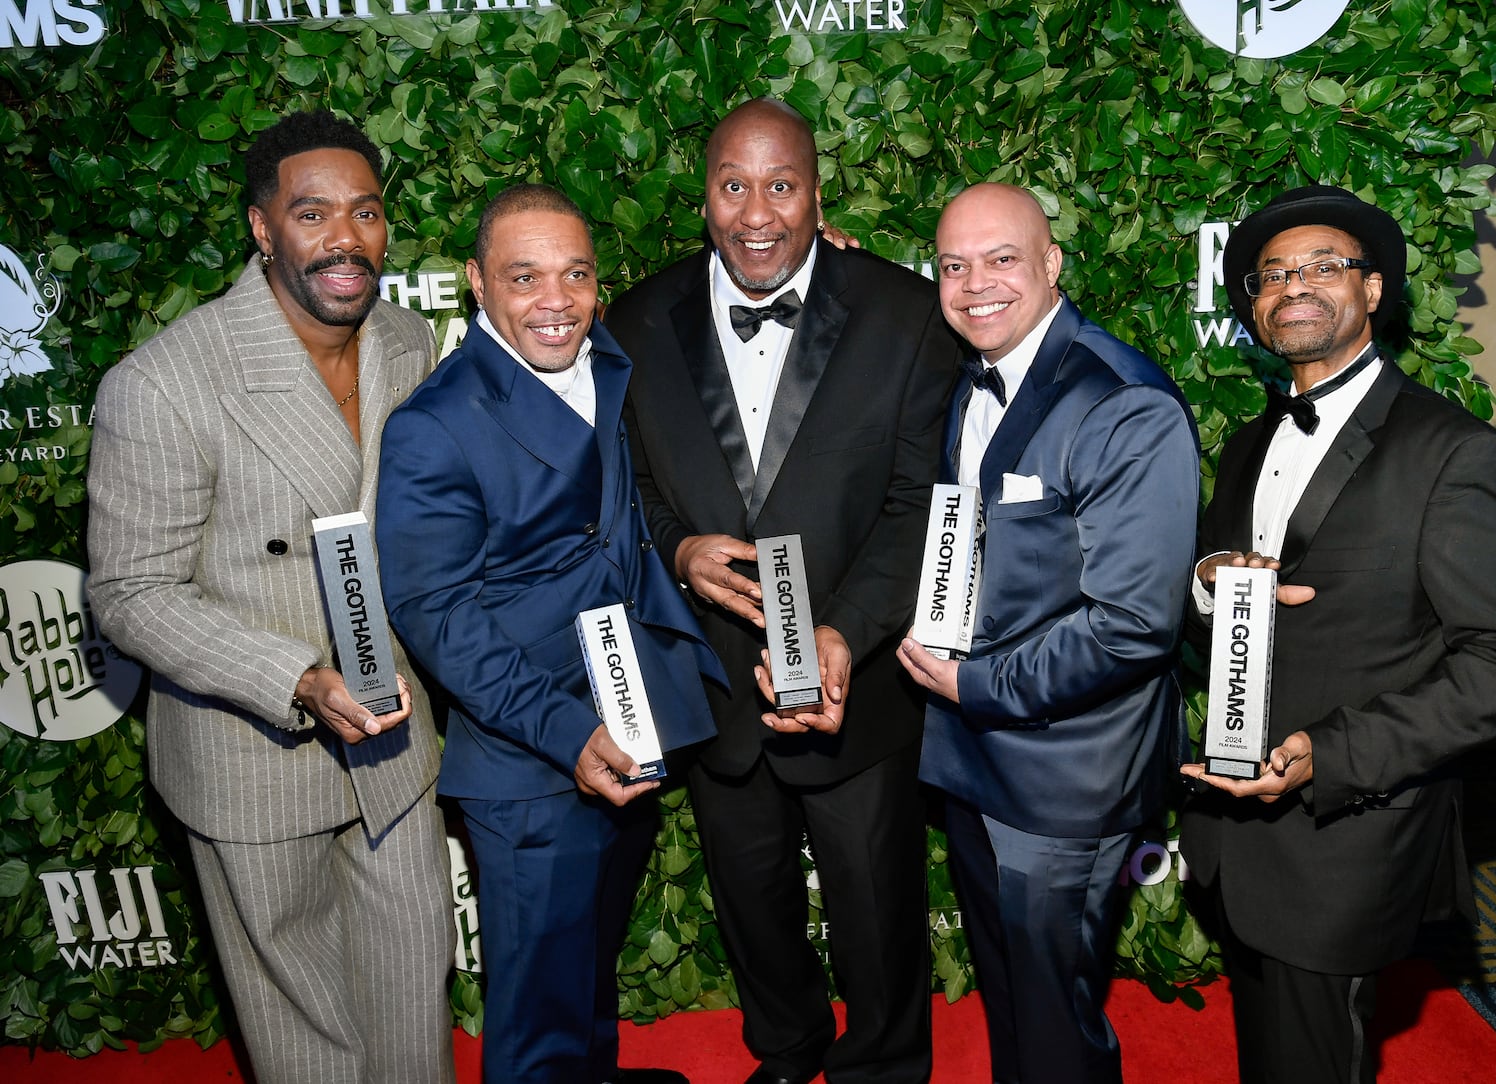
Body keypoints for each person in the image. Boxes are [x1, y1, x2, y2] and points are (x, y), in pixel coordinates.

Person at [85, 111, 455, 1083]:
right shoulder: (164, 384)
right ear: (261, 226)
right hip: (253, 756)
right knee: (309, 1052)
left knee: (417, 1017)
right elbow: (129, 592)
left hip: (394, 743)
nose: (345, 237)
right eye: (312, 212)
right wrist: (294, 676)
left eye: (366, 211)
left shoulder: (410, 344)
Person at [1178, 184, 1496, 1084]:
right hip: (1233, 825)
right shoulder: (1245, 442)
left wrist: (1335, 752)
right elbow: (1213, 597)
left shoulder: (1455, 454)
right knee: (1268, 1050)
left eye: (1322, 266)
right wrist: (1205, 583)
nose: (1292, 286)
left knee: (1319, 1058)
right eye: (1270, 275)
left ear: (1374, 291)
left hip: (1345, 831)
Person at [605, 98, 960, 1084]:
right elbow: (623, 483)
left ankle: (884, 1066)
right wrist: (675, 550)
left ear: (816, 192)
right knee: (750, 898)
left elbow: (917, 502)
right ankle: (789, 1047)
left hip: (856, 682)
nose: (756, 213)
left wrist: (847, 629)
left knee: (875, 903)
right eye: (732, 185)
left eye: (780, 185)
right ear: (703, 197)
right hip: (716, 686)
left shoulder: (904, 314)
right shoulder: (636, 321)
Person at [374, 184, 724, 1084]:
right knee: (536, 1027)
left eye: (575, 275)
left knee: (585, 978)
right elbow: (436, 615)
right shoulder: (435, 426)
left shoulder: (605, 357)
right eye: (524, 277)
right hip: (533, 760)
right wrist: (570, 735)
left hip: (629, 718)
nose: (556, 301)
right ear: (476, 285)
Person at [896, 183, 1200, 1084]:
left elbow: (1133, 626)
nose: (975, 283)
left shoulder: (1122, 402)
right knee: (1013, 998)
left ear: (1052, 262)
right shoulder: (976, 374)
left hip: (1068, 775)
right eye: (954, 265)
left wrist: (974, 685)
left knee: (1056, 1019)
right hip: (973, 760)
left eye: (1002, 260)